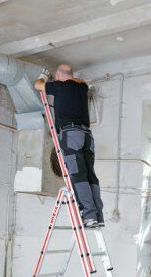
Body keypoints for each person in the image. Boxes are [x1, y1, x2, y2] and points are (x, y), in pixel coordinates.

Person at [35, 64, 104, 228]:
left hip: (71, 134)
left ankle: (88, 215)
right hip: (87, 136)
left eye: (56, 77)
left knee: (78, 174)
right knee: (90, 175)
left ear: (58, 76)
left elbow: (38, 85)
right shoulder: (82, 87)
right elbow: (77, 80)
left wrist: (44, 76)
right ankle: (98, 216)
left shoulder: (59, 86)